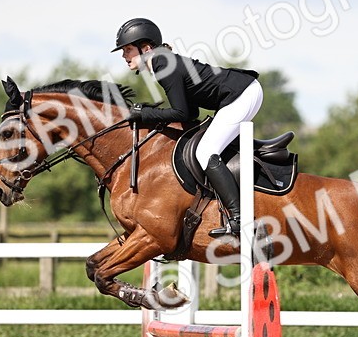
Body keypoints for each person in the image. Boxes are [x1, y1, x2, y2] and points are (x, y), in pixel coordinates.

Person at [112, 17, 262, 237]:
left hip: (242, 95)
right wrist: (146, 113)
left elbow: (181, 113)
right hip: (241, 93)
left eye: (127, 49)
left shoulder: (162, 64)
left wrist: (143, 114)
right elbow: (190, 113)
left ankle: (239, 219)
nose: (125, 56)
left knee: (205, 152)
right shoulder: (162, 62)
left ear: (146, 48)